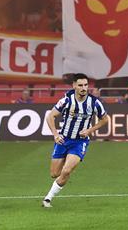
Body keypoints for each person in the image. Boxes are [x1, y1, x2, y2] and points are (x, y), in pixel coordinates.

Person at [42, 73, 109, 208]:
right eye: (80, 85)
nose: (83, 88)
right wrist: (55, 134)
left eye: (86, 85)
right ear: (74, 86)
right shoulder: (66, 100)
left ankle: (48, 199)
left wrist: (89, 130)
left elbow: (105, 119)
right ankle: (68, 169)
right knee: (54, 174)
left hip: (80, 142)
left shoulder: (94, 102)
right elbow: (50, 116)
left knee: (66, 171)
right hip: (63, 140)